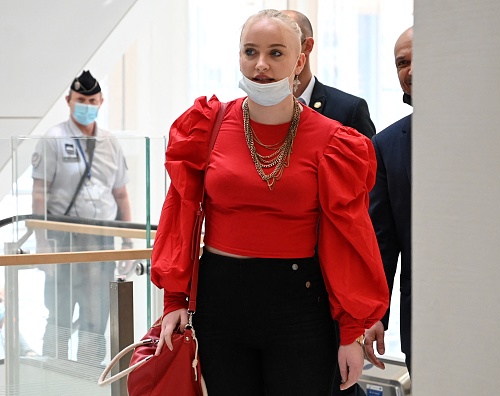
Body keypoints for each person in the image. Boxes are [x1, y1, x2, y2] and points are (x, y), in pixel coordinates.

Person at [151, 9, 389, 395]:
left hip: (300, 302)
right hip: (220, 299)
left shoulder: (334, 142)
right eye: (250, 51)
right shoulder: (206, 125)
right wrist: (173, 298)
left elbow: (350, 237)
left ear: (300, 58)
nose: (261, 65)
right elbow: (178, 215)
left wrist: (351, 331)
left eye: (276, 53)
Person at [282, 9, 376, 395]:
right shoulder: (245, 115)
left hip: (327, 275)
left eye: (279, 50)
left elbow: (362, 208)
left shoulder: (346, 110)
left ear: (305, 50)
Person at [31, 70, 132, 366]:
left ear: (101, 101)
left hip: (101, 238)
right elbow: (40, 194)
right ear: (68, 100)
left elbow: (121, 195)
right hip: (63, 238)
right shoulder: (53, 139)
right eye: (80, 99)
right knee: (60, 309)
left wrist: (127, 241)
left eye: (91, 100)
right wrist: (42, 244)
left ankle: (89, 372)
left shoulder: (110, 142)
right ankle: (56, 368)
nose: (86, 104)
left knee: (96, 311)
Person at [365, 26, 413, 375]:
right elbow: (383, 241)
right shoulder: (386, 144)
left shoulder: (490, 132)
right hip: (423, 319)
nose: (410, 71)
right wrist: (374, 315)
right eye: (402, 62)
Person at [281, 10, 376, 140]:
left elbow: (368, 158)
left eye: (280, 46)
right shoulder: (256, 109)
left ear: (307, 46)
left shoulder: (348, 109)